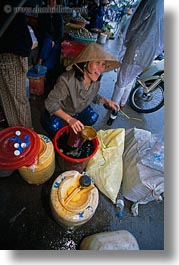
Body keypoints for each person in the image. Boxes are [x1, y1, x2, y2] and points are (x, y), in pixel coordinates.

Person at [43, 42, 120, 136]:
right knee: (54, 126)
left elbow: (93, 95)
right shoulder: (67, 80)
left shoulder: (96, 80)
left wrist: (106, 101)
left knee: (92, 117)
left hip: (78, 111)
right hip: (62, 112)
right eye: (97, 63)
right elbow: (50, 102)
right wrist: (69, 119)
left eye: (103, 64)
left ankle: (73, 131)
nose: (100, 69)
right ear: (85, 63)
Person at [111, 0, 164, 108]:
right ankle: (122, 102)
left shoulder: (151, 2)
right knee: (131, 77)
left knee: (123, 78)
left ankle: (114, 104)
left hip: (136, 46)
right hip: (151, 52)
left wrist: (126, 41)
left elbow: (135, 22)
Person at [0, 0, 33, 128]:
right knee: (5, 99)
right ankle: (16, 134)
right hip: (5, 48)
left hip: (13, 49)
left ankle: (29, 138)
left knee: (17, 101)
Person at [35, 0, 64, 74]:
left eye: (54, 0)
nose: (52, 2)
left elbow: (60, 33)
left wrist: (55, 41)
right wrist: (50, 40)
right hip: (44, 37)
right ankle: (40, 62)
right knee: (48, 41)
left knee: (57, 48)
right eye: (50, 0)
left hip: (55, 39)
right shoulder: (43, 12)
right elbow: (41, 28)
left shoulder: (58, 14)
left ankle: (45, 67)